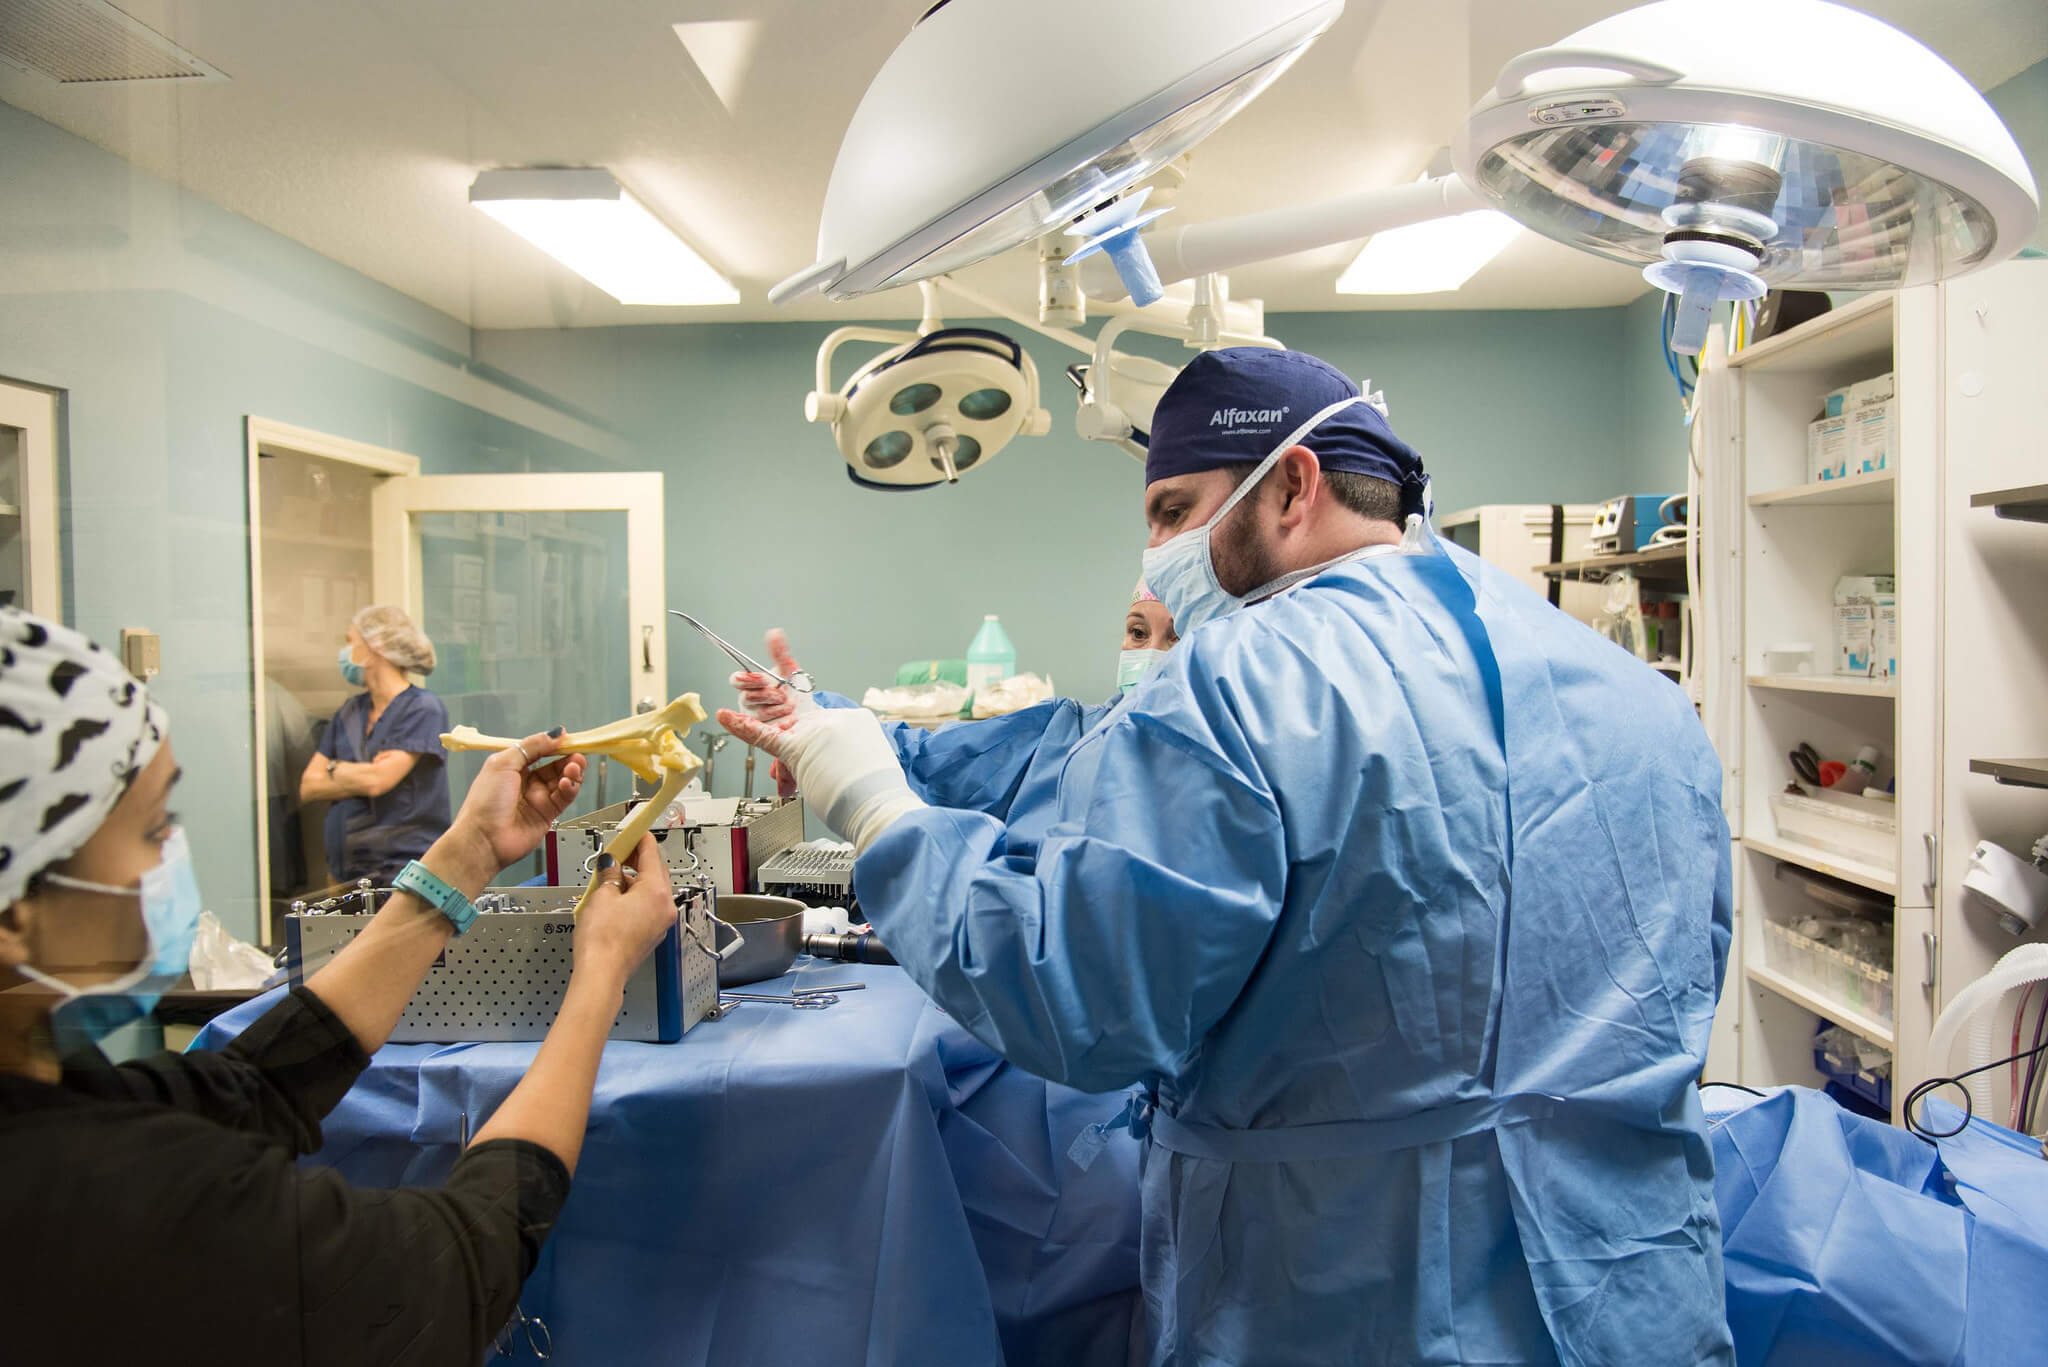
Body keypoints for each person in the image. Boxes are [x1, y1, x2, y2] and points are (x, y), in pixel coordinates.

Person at [721, 348, 1735, 1365]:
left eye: (1170, 510)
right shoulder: (1631, 689)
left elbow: (1076, 996)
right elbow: (1097, 753)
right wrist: (871, 736)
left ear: (1290, 483)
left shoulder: (1242, 671)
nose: (1157, 551)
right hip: (1628, 1291)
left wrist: (878, 810)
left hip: (1350, 1294)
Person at [0, 606, 680, 1364]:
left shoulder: (62, 1105)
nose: (169, 860)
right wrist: (600, 977)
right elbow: (454, 1269)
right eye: (155, 828)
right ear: (16, 915)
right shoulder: (111, 1203)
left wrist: (470, 852)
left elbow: (248, 1090)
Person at [732, 583, 1177, 860]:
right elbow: (924, 760)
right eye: (1138, 633)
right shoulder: (1061, 735)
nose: (1152, 653)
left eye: (1179, 635)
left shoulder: (1225, 780)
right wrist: (811, 714)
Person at [299, 605, 453, 885]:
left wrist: (332, 768)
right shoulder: (350, 711)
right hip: (345, 872)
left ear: (376, 647)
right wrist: (351, 771)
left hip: (405, 872)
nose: (344, 653)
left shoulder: (423, 709)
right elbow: (309, 785)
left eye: (350, 642)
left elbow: (378, 782)